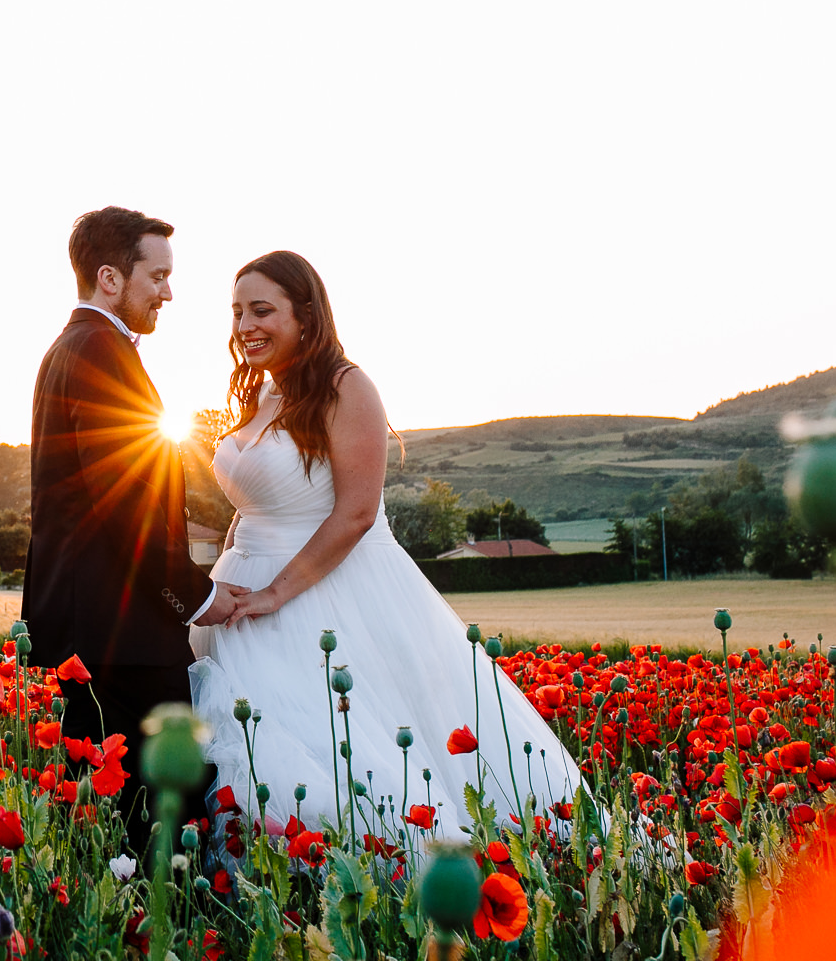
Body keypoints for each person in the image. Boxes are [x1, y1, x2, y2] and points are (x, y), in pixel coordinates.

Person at [189, 250, 582, 837]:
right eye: (238, 312)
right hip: (240, 590)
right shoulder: (262, 396)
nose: (245, 326)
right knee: (254, 747)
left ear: (306, 314)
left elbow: (355, 513)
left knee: (346, 749)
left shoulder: (348, 387)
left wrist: (275, 592)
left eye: (262, 310)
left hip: (325, 590)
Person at [26, 206, 246, 855]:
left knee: (103, 813)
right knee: (154, 814)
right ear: (110, 277)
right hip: (121, 632)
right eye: (158, 275)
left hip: (89, 626)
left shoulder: (73, 348)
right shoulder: (100, 352)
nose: (169, 291)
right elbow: (127, 503)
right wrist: (196, 595)